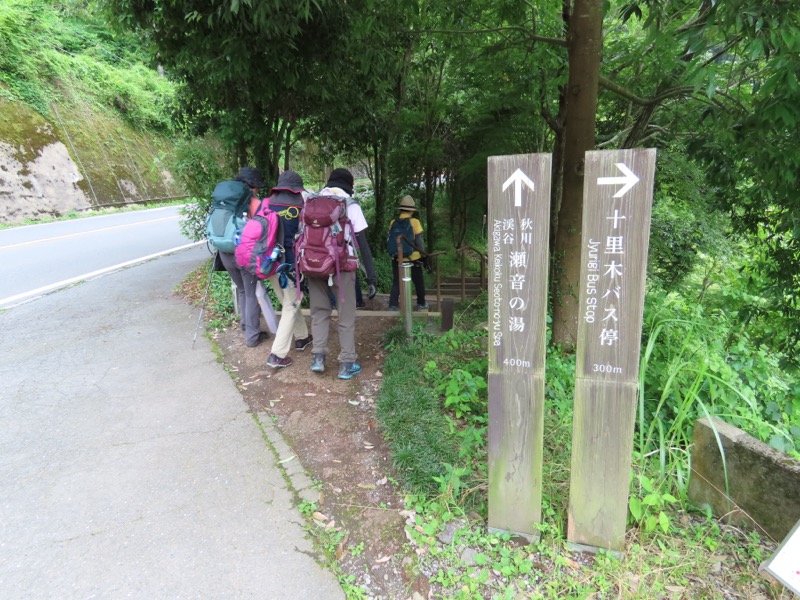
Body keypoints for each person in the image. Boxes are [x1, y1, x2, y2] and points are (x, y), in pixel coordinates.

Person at [305, 168, 377, 379]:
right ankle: (347, 363)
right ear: (349, 185)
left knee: (319, 311)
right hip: (342, 267)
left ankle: (318, 357)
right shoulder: (350, 205)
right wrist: (371, 277)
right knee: (346, 314)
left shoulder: (312, 202)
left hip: (313, 265)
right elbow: (363, 245)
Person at [217, 166, 270, 347]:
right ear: (252, 186)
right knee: (251, 294)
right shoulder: (253, 202)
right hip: (244, 254)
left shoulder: (224, 199)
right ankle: (252, 336)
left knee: (242, 290)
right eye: (257, 187)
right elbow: (265, 226)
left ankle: (245, 326)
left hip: (224, 252)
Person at [264, 170, 312, 368]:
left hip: (270, 262)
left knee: (289, 302)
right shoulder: (301, 206)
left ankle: (302, 337)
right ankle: (277, 354)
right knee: (291, 305)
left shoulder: (267, 204)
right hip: (290, 264)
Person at [387, 195, 428, 311]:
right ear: (412, 210)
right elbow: (419, 241)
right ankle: (421, 304)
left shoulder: (393, 222)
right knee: (418, 281)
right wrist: (424, 256)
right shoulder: (415, 222)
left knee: (396, 282)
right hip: (413, 258)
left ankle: (392, 305)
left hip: (397, 258)